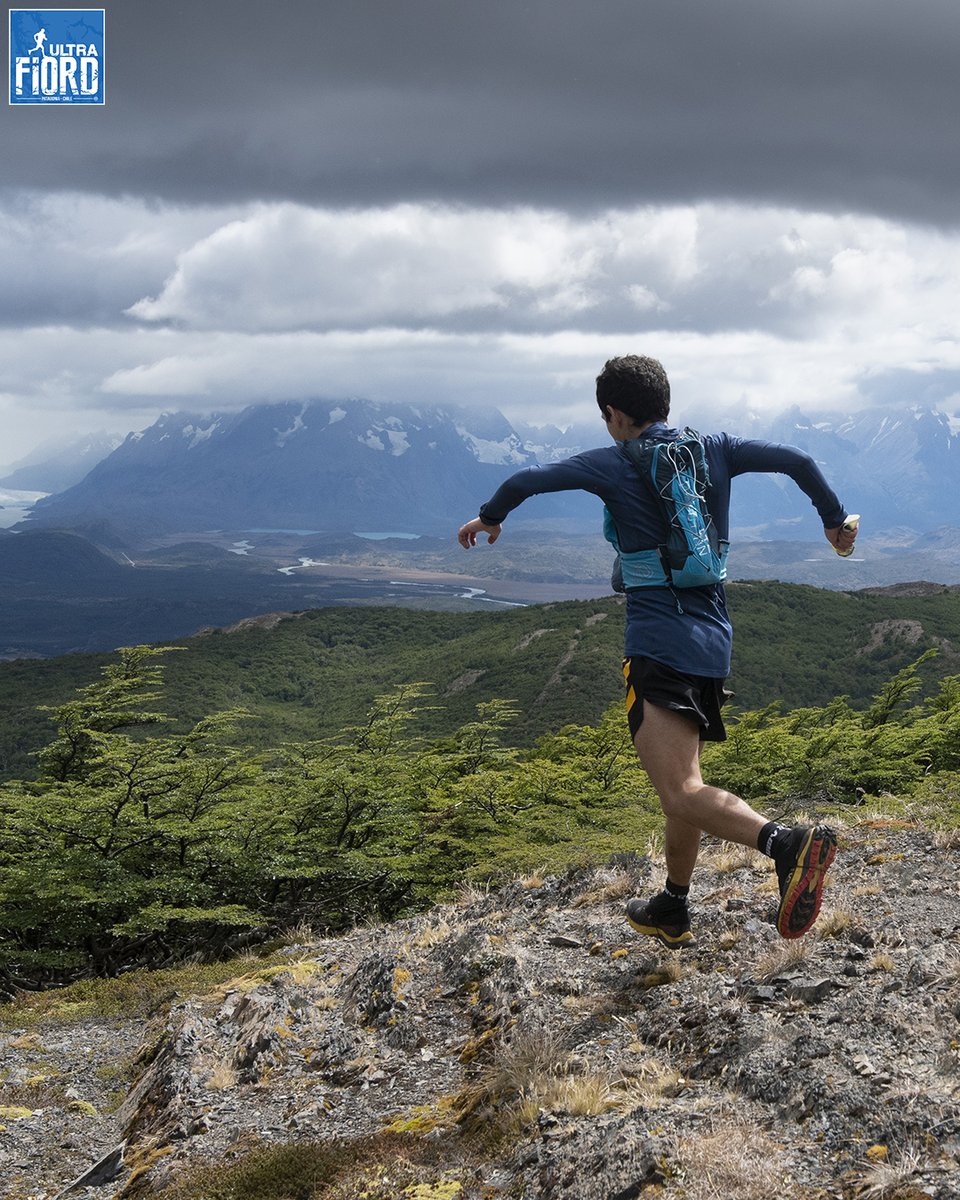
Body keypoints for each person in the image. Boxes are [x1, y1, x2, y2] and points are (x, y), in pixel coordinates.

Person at [457, 355, 857, 949]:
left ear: (615, 414)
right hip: (712, 642)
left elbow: (526, 480)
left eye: (607, 417)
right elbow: (798, 461)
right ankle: (672, 904)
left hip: (657, 641)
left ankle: (786, 847)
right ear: (664, 402)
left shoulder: (613, 462)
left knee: (680, 792)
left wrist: (489, 518)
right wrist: (832, 521)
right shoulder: (715, 447)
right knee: (684, 783)